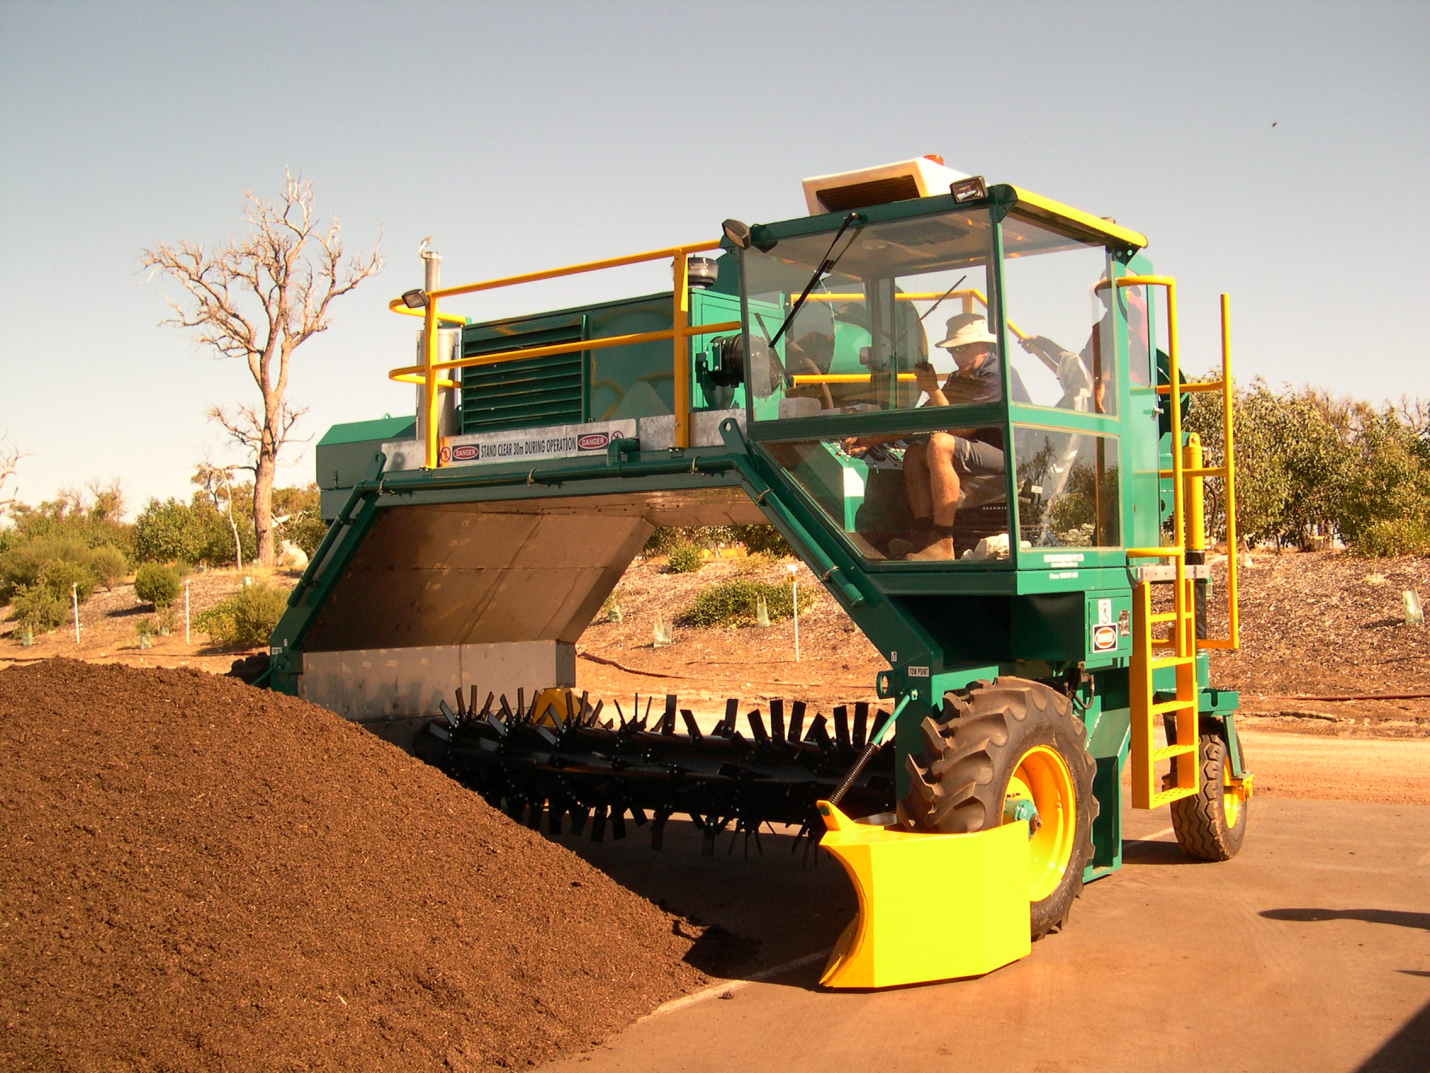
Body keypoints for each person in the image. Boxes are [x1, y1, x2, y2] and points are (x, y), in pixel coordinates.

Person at [890, 313, 1027, 561]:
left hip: (1012, 460)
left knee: (941, 443)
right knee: (914, 453)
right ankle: (923, 536)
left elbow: (958, 429)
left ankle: (943, 541)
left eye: (962, 348)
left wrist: (932, 388)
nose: (956, 356)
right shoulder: (958, 378)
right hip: (976, 453)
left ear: (983, 345)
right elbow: (925, 415)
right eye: (953, 350)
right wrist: (869, 441)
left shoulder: (997, 375)